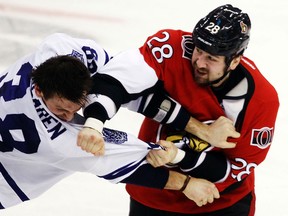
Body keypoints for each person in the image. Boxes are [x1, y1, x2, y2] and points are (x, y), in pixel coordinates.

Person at [77, 4, 279, 216]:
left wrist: (178, 157)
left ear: (235, 60)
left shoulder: (261, 101)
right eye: (199, 50)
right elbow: (115, 81)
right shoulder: (170, 48)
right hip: (154, 190)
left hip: (219, 202)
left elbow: (233, 169)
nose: (199, 62)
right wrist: (93, 124)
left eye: (211, 58)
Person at [0, 33, 220, 209]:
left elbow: (122, 87)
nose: (68, 117)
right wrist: (187, 184)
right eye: (60, 109)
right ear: (38, 90)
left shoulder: (59, 48)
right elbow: (126, 165)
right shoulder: (56, 142)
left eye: (74, 108)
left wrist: (197, 127)